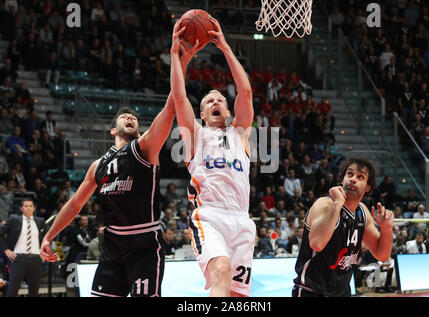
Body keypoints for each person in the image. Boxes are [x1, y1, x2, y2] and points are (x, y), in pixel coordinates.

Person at [39, 43, 201, 297]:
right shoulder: (98, 165)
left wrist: (180, 62)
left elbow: (172, 105)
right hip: (112, 246)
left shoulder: (145, 147)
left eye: (133, 117)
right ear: (113, 130)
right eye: (124, 116)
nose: (130, 117)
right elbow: (74, 204)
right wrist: (49, 235)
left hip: (144, 244)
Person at [170, 19, 256, 297]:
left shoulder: (239, 134)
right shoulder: (195, 135)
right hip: (210, 217)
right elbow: (179, 97)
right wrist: (179, 58)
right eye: (209, 101)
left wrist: (226, 49)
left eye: (220, 99)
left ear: (229, 113)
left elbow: (245, 92)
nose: (216, 102)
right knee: (220, 270)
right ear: (202, 115)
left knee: (239, 295)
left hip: (242, 220)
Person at [292, 157, 394, 297]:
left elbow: (382, 255)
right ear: (342, 179)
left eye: (360, 177)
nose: (352, 179)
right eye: (349, 174)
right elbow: (316, 244)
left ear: (367, 187)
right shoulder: (324, 204)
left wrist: (387, 228)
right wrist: (338, 203)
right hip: (312, 291)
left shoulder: (362, 213)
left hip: (342, 292)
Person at [0, 199, 46, 297]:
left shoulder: (40, 221)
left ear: (34, 208)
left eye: (30, 206)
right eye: (26, 206)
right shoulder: (14, 219)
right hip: (18, 258)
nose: (28, 208)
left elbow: (46, 239)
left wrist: (44, 253)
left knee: (34, 291)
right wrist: (6, 250)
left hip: (36, 259)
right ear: (21, 209)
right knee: (13, 289)